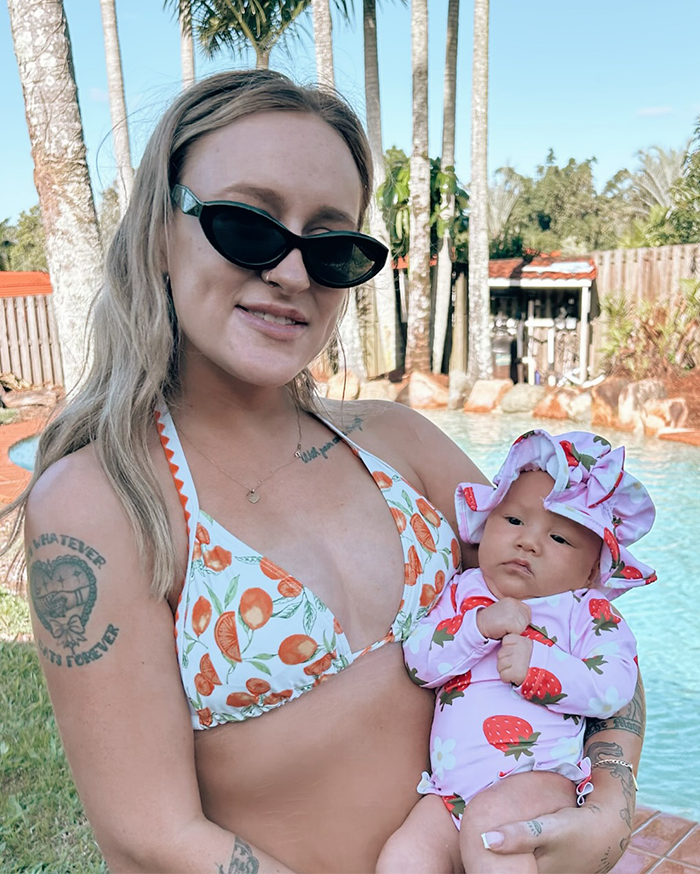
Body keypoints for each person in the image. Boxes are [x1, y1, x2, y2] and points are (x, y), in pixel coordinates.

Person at [7, 69, 645, 874]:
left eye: (333, 245)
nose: (293, 274)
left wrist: (612, 806)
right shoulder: (106, 502)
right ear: (158, 232)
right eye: (248, 225)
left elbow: (586, 616)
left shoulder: (399, 443)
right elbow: (150, 837)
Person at [377, 430, 655, 874]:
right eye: (513, 521)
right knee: (405, 857)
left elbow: (615, 685)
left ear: (591, 571)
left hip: (539, 780)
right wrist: (478, 628)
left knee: (493, 834)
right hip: (451, 793)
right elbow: (419, 661)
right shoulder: (464, 593)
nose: (529, 542)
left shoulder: (586, 611)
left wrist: (540, 668)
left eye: (560, 538)